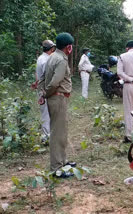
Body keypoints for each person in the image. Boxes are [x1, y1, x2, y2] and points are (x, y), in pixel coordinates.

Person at [38, 32, 75, 177]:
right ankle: (56, 168)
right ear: (69, 47)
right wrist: (46, 93)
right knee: (57, 133)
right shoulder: (60, 60)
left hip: (56, 98)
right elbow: (54, 82)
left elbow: (42, 78)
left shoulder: (52, 57)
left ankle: (62, 161)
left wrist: (42, 93)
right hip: (57, 97)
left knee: (61, 131)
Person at [34, 40, 56, 142]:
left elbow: (37, 74)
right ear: (51, 48)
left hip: (42, 89)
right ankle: (47, 137)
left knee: (45, 113)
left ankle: (47, 135)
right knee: (47, 114)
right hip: (46, 90)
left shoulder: (41, 58)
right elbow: (48, 77)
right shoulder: (46, 60)